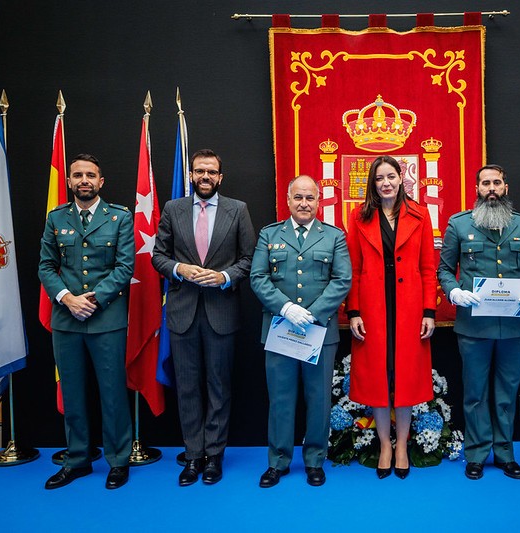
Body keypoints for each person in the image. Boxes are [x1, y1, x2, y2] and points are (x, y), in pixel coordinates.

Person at [152, 149, 256, 486]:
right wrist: (179, 268)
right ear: (192, 175)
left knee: (219, 387)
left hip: (221, 312)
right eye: (199, 171)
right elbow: (158, 256)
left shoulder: (237, 210)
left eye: (211, 171)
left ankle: (215, 456)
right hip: (182, 314)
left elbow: (249, 258)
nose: (205, 177)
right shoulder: (173, 209)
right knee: (187, 389)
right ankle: (193, 457)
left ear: (220, 177)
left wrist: (224, 277)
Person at [438, 164, 520, 480]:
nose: (492, 188)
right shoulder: (459, 224)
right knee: (475, 393)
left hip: (514, 325)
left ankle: (505, 453)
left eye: (497, 182)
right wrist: (454, 291)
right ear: (477, 189)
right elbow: (443, 270)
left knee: (507, 391)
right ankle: (477, 453)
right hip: (474, 325)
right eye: (486, 183)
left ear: (505, 187)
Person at [38, 153, 134, 490]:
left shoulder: (119, 217)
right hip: (66, 320)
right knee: (74, 393)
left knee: (112, 394)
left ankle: (118, 460)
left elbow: (125, 267)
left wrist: (90, 300)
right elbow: (46, 266)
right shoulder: (56, 218)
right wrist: (67, 298)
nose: (84, 181)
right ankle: (77, 459)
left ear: (100, 181)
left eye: (90, 175)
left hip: (106, 318)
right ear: (68, 181)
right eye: (77, 175)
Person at [250, 175, 351, 488]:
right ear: (288, 200)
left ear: (318, 202)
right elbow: (258, 277)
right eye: (298, 198)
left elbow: (342, 280)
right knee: (280, 398)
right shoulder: (270, 234)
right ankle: (278, 461)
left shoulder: (333, 236)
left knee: (318, 398)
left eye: (310, 198)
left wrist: (313, 313)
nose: (304, 203)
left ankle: (314, 460)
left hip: (318, 330)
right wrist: (286, 308)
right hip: (280, 327)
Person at [346, 155, 436, 479]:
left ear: (402, 178)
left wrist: (429, 311)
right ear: (372, 183)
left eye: (391, 176)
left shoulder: (420, 215)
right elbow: (353, 269)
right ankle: (385, 444)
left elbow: (428, 268)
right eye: (379, 178)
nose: (386, 182)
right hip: (372, 308)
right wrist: (353, 311)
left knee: (406, 377)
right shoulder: (359, 217)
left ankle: (402, 444)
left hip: (410, 308)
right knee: (378, 378)